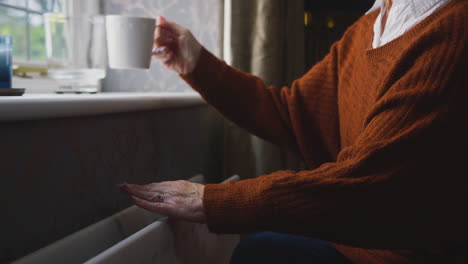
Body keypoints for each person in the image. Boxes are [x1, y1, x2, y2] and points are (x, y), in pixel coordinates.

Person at [118, 0, 467, 263]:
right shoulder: (373, 24)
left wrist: (210, 201)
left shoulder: (454, 31)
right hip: (354, 246)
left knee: (260, 253)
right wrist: (195, 62)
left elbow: (371, 185)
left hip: (403, 257)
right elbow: (291, 114)